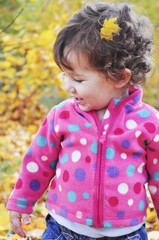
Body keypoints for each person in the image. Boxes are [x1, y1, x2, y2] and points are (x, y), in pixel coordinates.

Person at [6, 1, 159, 239]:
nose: (68, 87)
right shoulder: (62, 115)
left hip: (126, 233)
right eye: (65, 75)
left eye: (77, 79)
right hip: (64, 229)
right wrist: (21, 201)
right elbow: (38, 160)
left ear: (119, 77)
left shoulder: (148, 122)